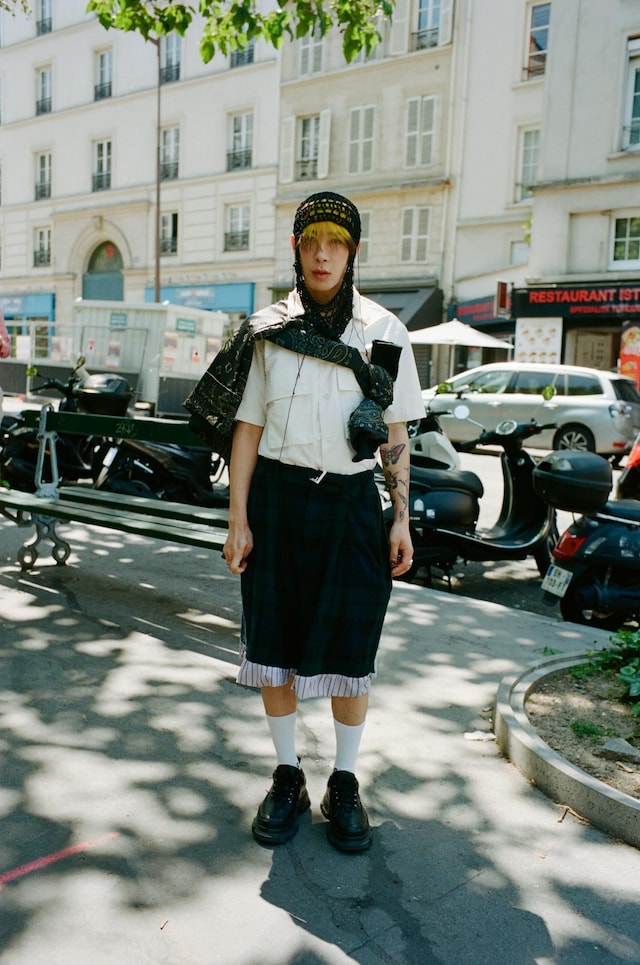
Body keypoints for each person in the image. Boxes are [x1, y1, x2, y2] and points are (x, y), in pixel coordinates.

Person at [211, 192, 424, 852]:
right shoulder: (268, 329)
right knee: (272, 645)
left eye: (335, 242)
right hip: (276, 502)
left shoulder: (384, 331)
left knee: (350, 649)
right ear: (297, 249)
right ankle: (287, 775)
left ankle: (345, 781)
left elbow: (395, 434)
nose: (322, 254)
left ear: (352, 252)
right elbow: (247, 428)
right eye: (311, 241)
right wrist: (238, 519)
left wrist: (400, 520)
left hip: (352, 506)